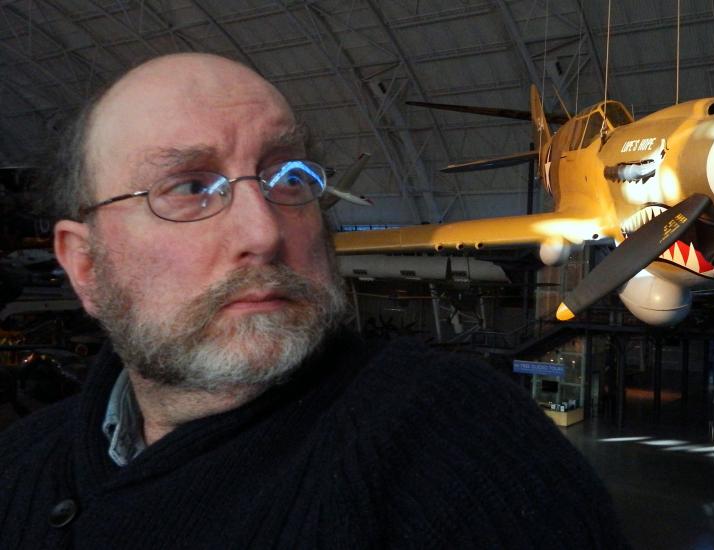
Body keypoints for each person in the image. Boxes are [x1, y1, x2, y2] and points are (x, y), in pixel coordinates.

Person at [0, 53, 626, 548]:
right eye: (190, 187)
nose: (264, 232)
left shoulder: (454, 439)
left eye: (289, 178)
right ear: (83, 265)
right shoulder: (21, 463)